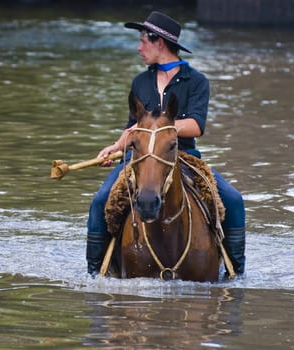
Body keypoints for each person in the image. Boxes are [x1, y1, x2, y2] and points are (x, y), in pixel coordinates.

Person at [86, 11, 246, 278]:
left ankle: (236, 273)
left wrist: (160, 131)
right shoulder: (140, 82)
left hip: (182, 155)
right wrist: (116, 147)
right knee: (100, 200)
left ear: (159, 42)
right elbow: (132, 126)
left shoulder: (196, 81)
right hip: (139, 158)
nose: (139, 48)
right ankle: (94, 274)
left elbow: (196, 126)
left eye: (143, 42)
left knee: (234, 200)